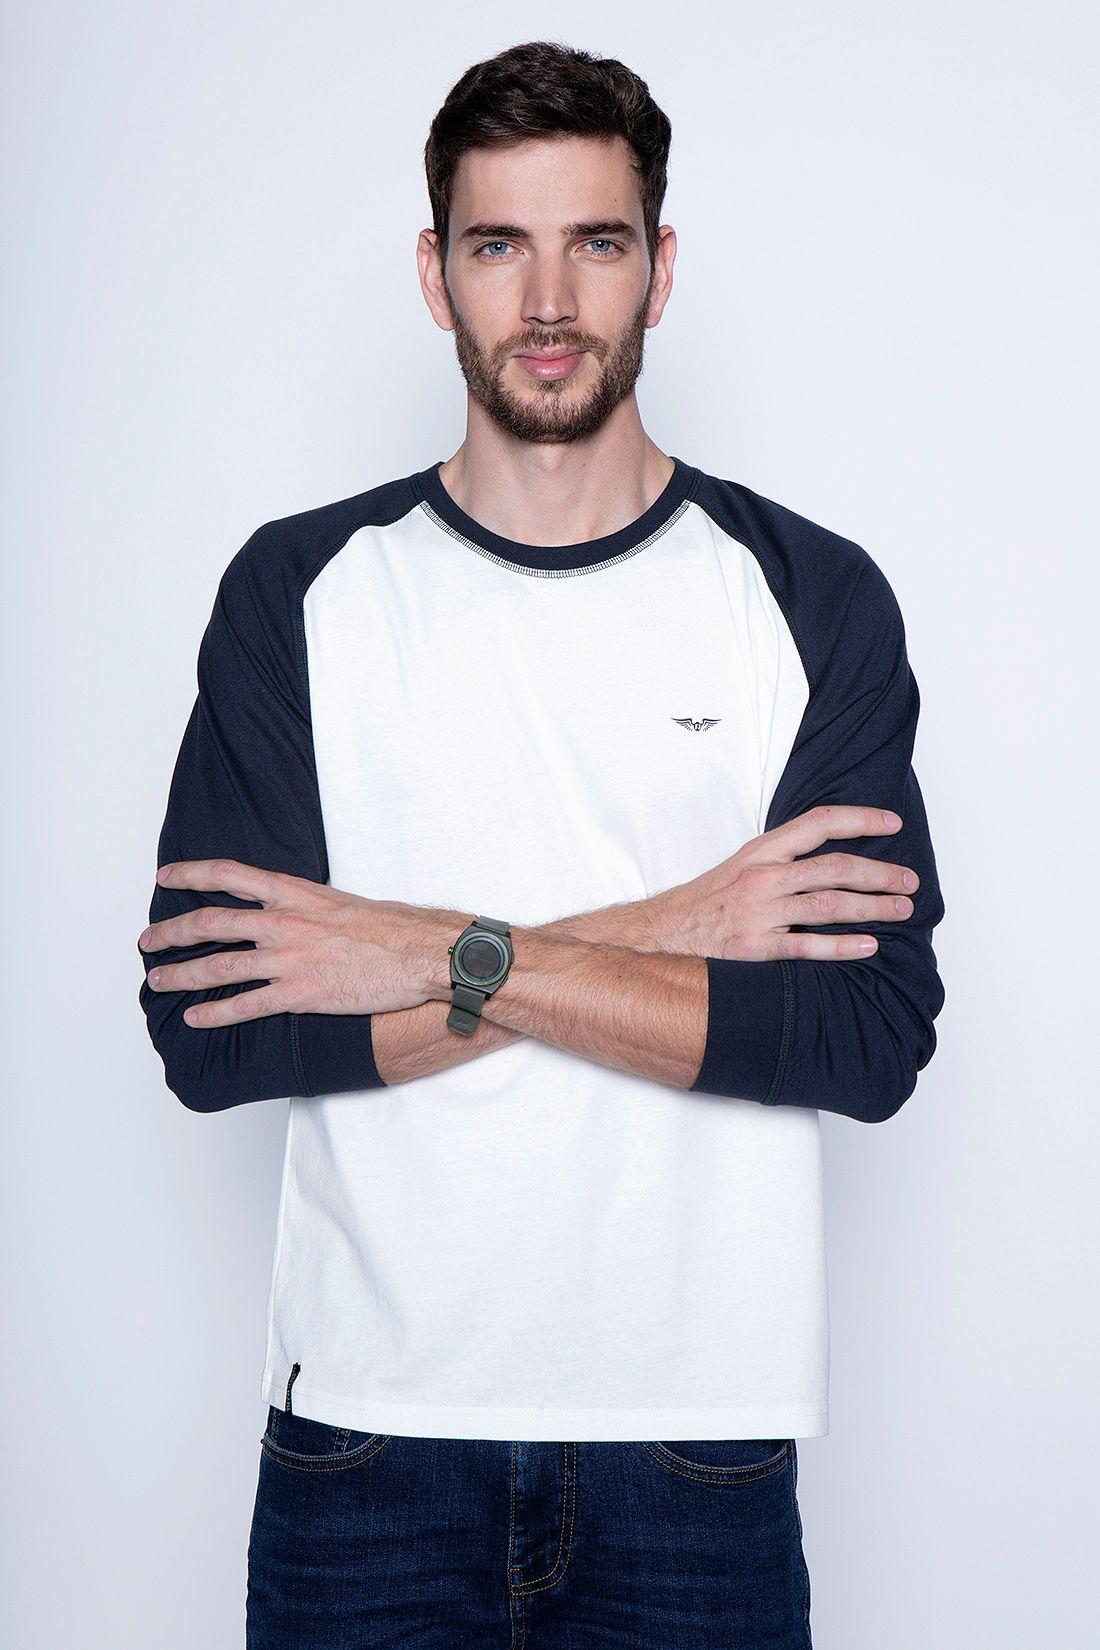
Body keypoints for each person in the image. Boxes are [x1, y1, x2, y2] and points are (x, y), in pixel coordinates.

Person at [136, 38, 945, 1650]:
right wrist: (687, 922)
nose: (553, 300)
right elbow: (216, 1033)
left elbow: (862, 1038)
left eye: (599, 242)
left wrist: (411, 949)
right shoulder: (300, 593)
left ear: (663, 267)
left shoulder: (807, 596)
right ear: (435, 273)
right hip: (365, 1442)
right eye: (502, 244)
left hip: (698, 1450)